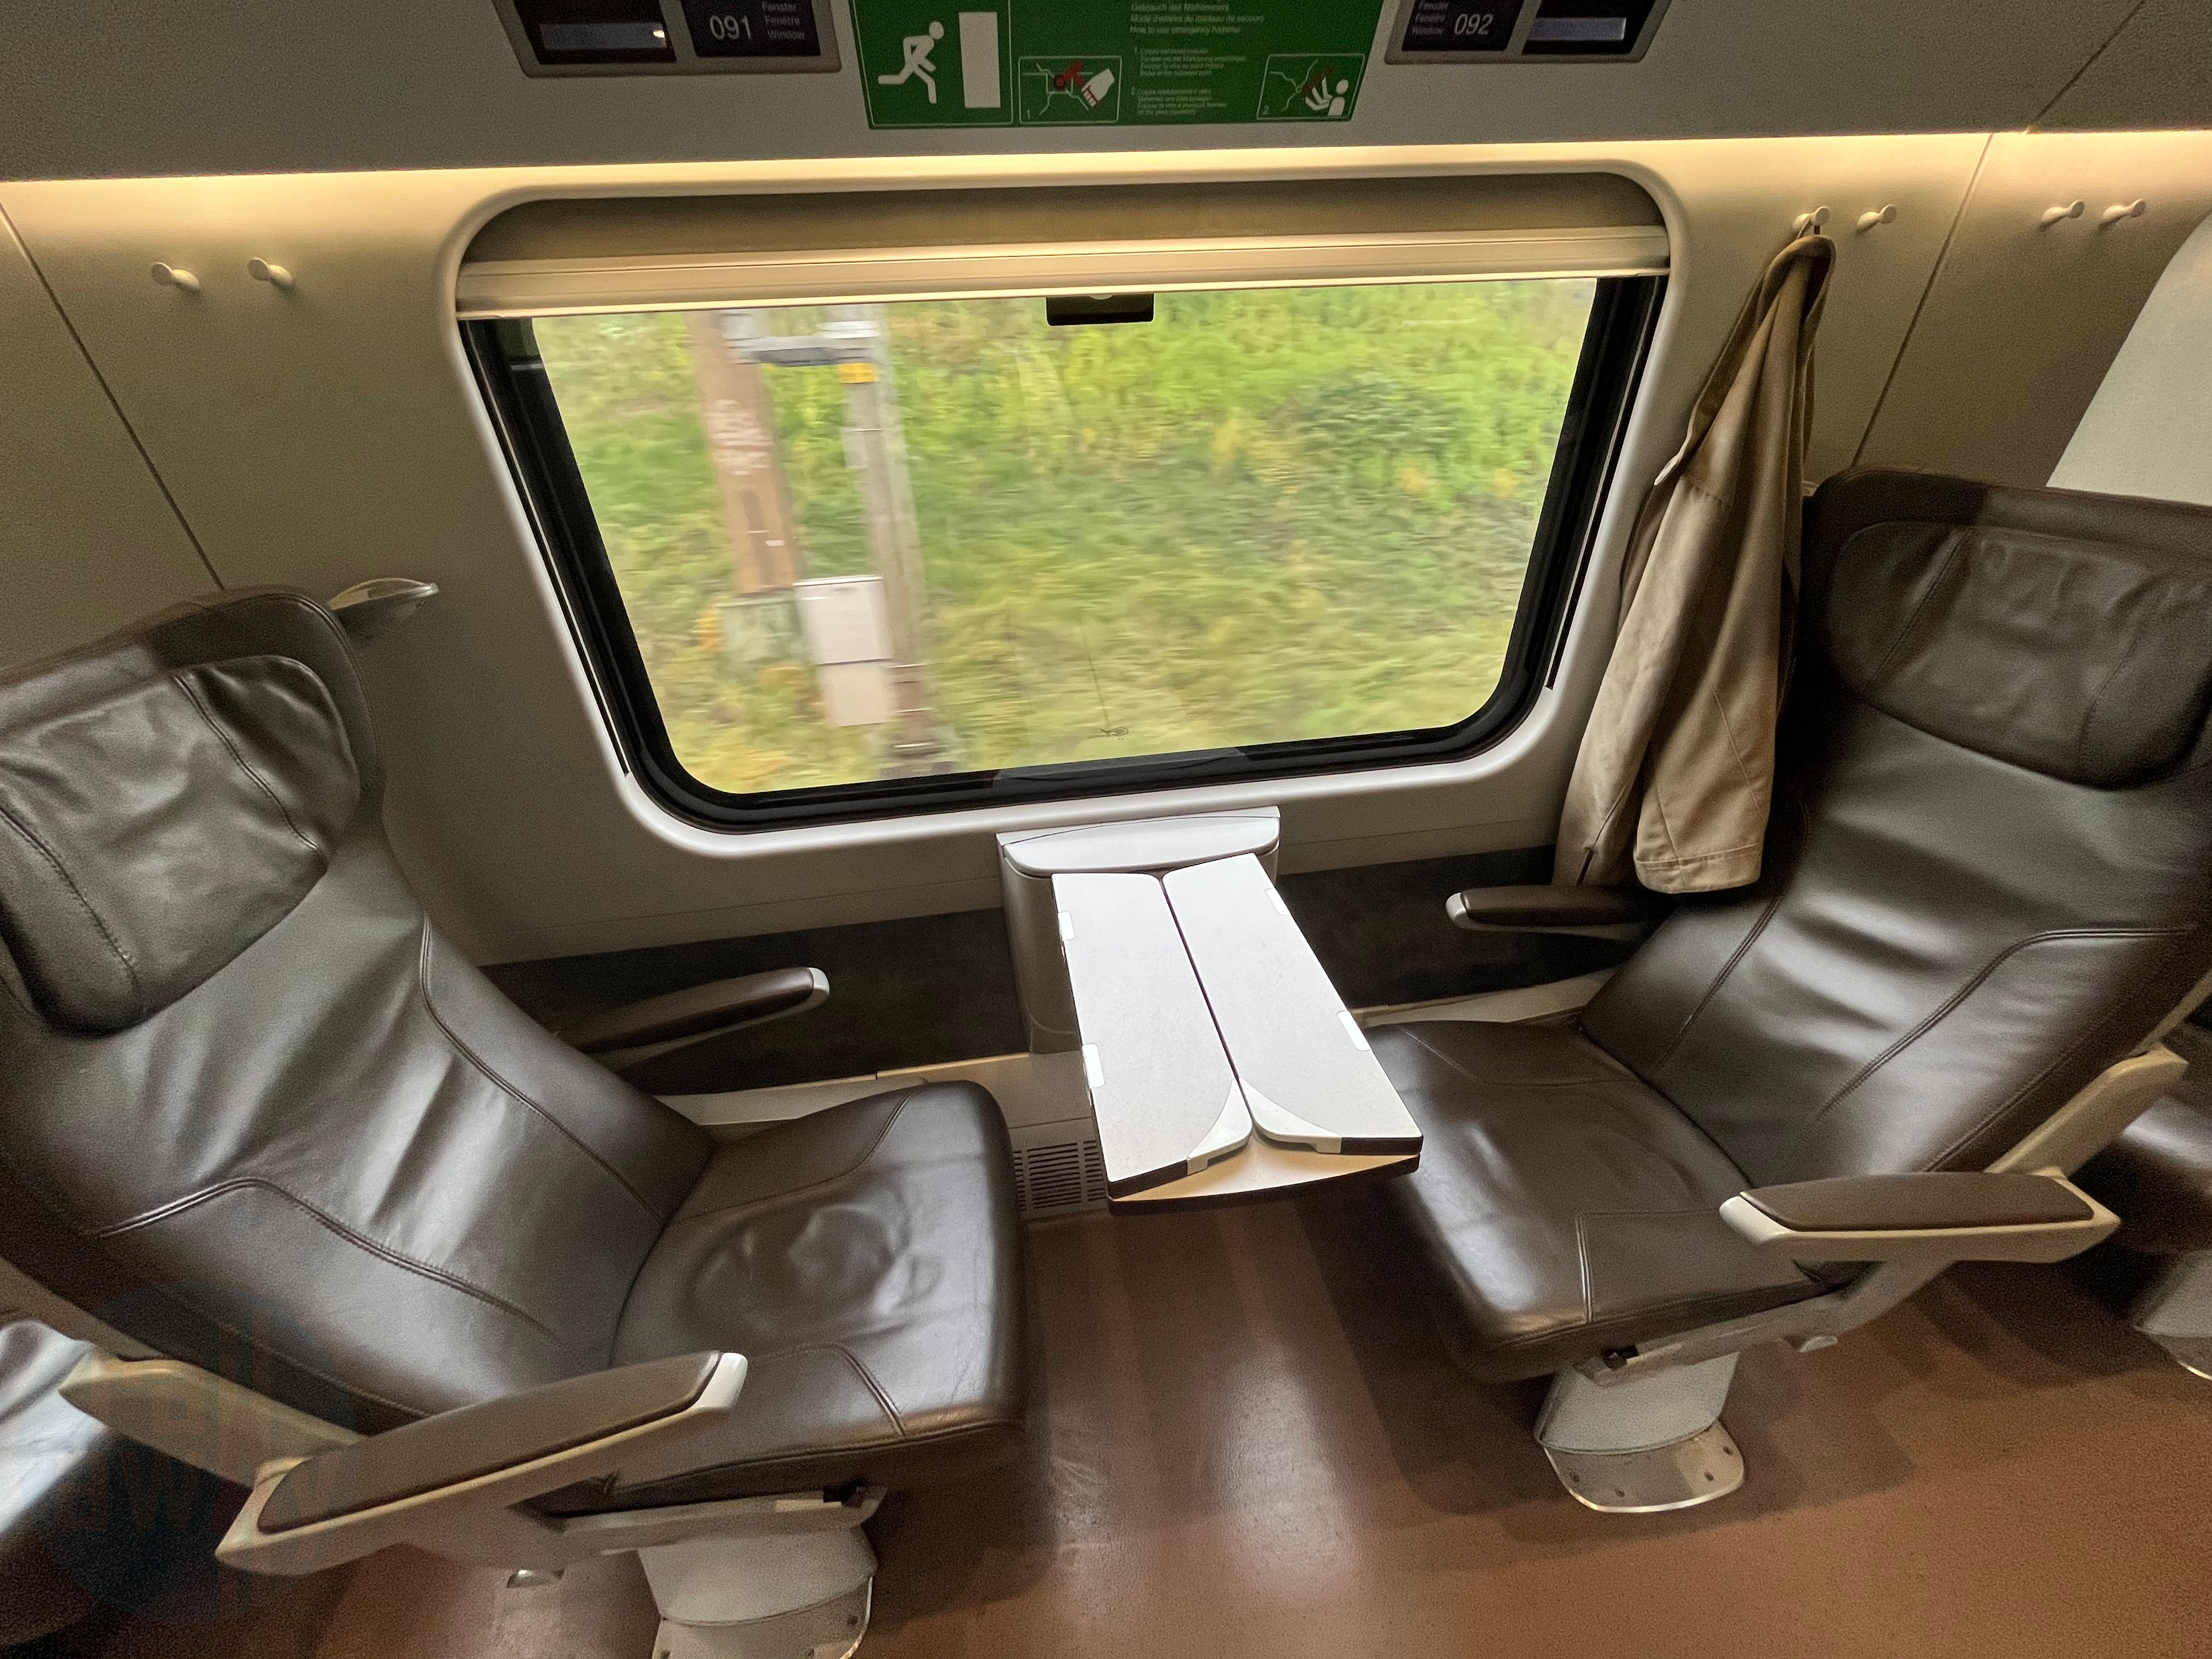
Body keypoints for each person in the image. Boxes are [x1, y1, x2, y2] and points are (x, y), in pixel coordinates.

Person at [878, 20, 944, 103]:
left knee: (901, 79)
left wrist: (929, 66)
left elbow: (920, 57)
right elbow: (907, 41)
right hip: (913, 64)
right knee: (929, 82)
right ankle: (881, 80)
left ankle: (881, 79)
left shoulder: (931, 43)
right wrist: (908, 60)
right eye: (938, 29)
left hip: (915, 64)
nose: (940, 32)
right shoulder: (926, 39)